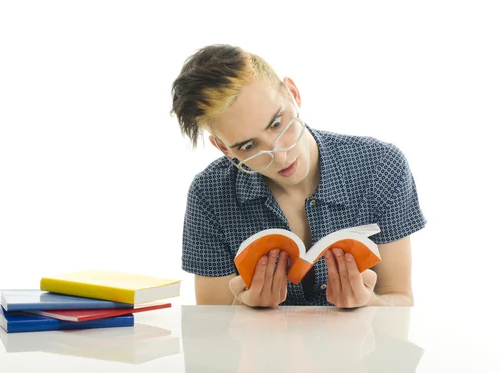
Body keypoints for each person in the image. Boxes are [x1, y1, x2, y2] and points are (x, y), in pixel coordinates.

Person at [170, 44, 426, 308]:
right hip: (261, 350)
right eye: (248, 146)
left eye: (277, 123)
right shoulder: (209, 194)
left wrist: (368, 303)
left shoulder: (380, 165)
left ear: (292, 93)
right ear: (224, 148)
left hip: (358, 349)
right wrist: (245, 308)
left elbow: (401, 300)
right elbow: (212, 331)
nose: (280, 155)